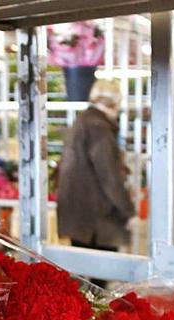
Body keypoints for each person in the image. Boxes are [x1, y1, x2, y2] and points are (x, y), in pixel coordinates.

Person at [58, 79, 134, 252]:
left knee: (84, 267)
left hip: (79, 213)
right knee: (101, 271)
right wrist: (127, 210)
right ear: (115, 101)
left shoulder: (82, 121)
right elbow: (109, 176)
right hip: (97, 216)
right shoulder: (98, 127)